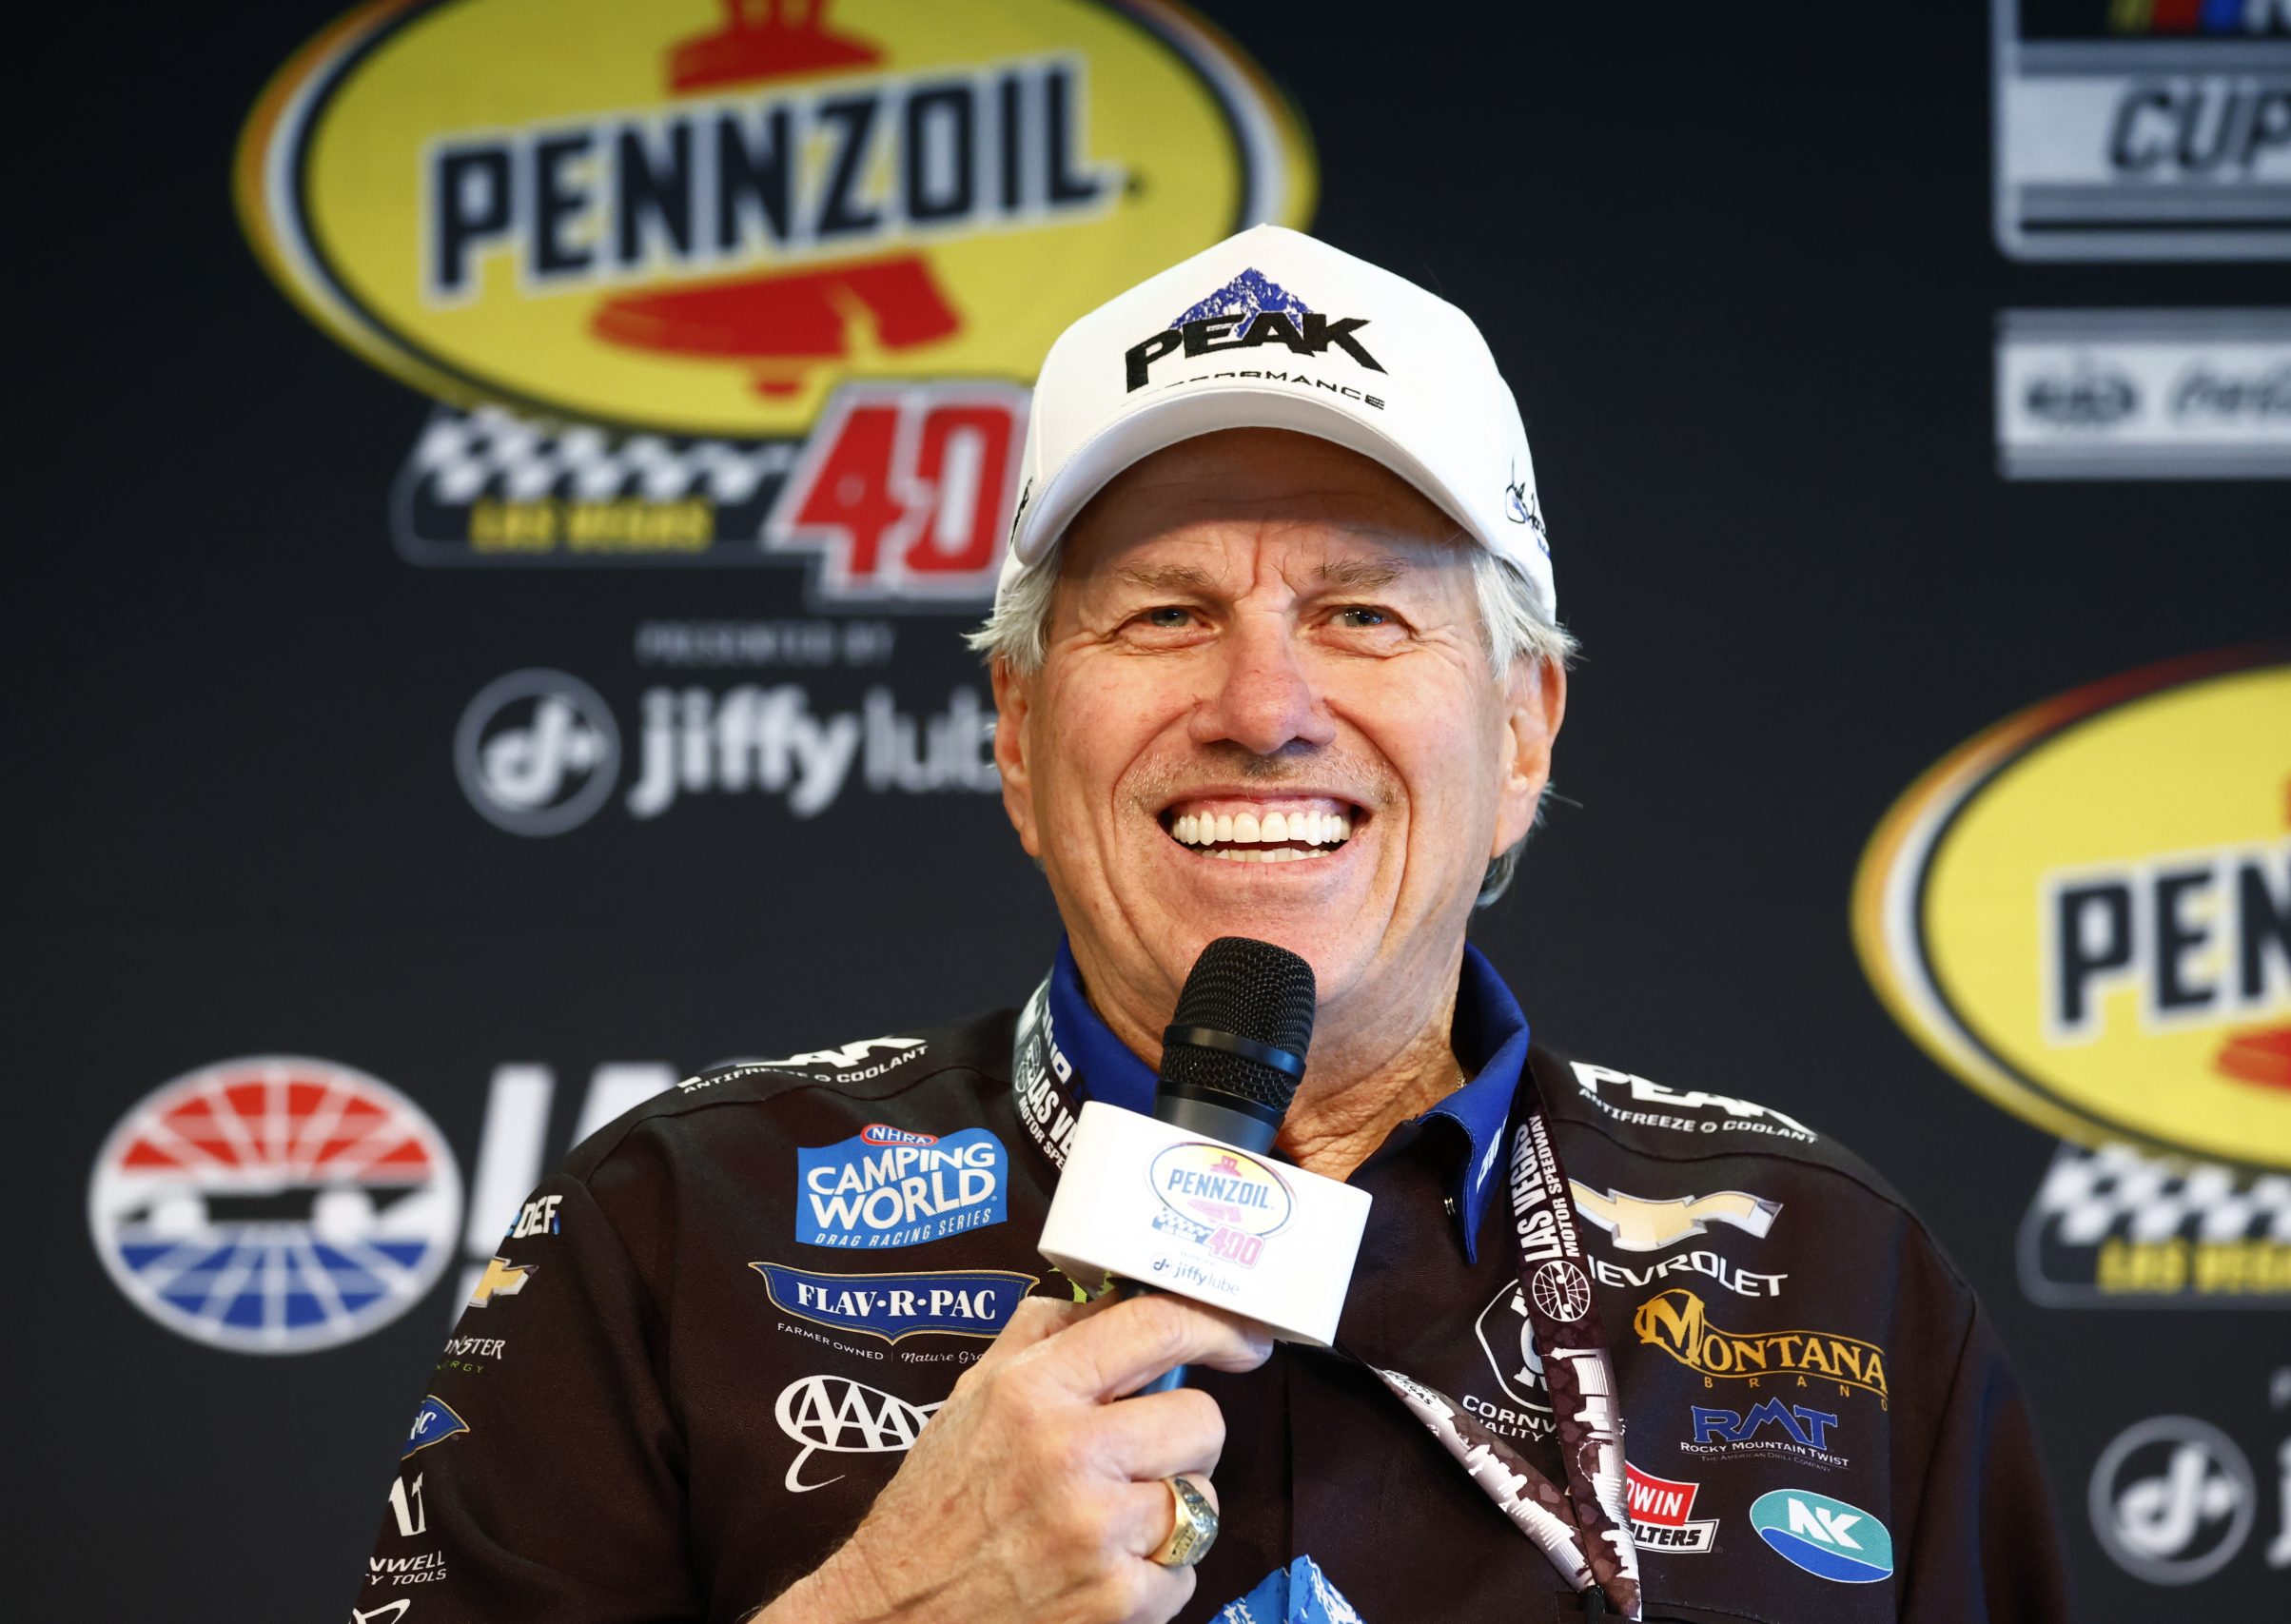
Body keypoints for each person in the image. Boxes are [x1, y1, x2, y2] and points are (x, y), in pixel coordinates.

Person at [352, 226, 2071, 1624]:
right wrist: (892, 1610)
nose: (1265, 703)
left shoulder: (1840, 1277)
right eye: (1167, 612)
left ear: (1526, 731)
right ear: (1020, 736)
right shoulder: (668, 1236)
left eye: (1365, 612)